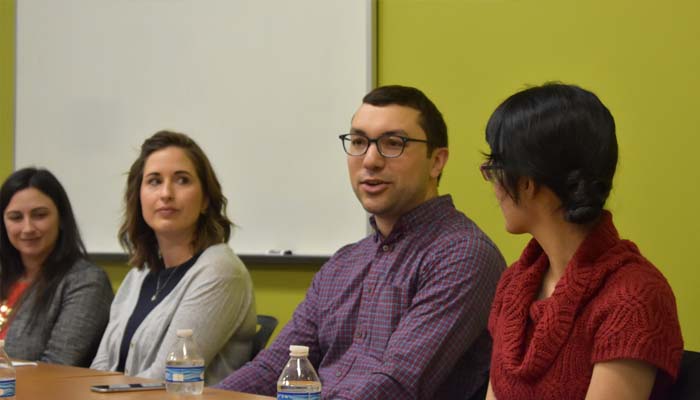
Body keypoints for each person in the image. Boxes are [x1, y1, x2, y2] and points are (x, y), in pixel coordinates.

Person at [216, 85, 506, 399]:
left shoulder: (462, 254)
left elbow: (397, 383)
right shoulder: (344, 263)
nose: (370, 160)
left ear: (436, 161)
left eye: (393, 143)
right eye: (358, 142)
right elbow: (275, 367)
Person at [483, 83, 684, 399]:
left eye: (494, 166)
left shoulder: (634, 296)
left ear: (526, 182)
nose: (492, 184)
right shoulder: (513, 284)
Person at [90, 131, 256, 385]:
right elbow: (101, 367)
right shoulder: (139, 274)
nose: (166, 193)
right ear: (139, 197)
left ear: (205, 200)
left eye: (182, 180)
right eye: (154, 181)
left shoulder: (220, 270)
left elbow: (166, 379)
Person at [0, 167, 113, 366]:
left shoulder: (86, 282)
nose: (28, 228)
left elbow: (56, 366)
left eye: (39, 215)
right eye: (16, 217)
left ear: (61, 218)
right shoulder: (5, 277)